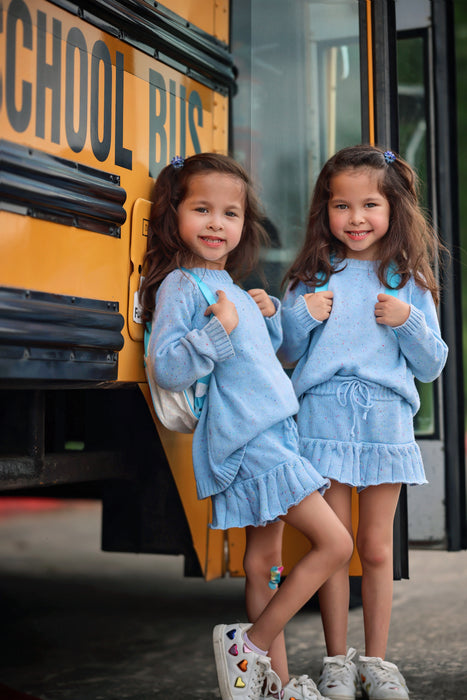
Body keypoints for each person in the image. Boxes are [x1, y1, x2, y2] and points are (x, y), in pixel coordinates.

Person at [140, 152, 353, 700]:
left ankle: (273, 686)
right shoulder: (181, 288)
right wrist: (217, 330)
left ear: (243, 224)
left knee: (265, 564)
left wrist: (267, 314)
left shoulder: (234, 287)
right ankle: (251, 645)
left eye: (230, 213)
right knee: (334, 543)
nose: (217, 223)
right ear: (174, 215)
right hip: (249, 441)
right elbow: (165, 365)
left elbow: (268, 360)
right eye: (202, 209)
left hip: (272, 434)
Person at [280, 144, 448, 700]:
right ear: (324, 210)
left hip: (384, 421)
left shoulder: (410, 279)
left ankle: (377, 661)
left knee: (375, 548)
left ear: (394, 208)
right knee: (334, 544)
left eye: (370, 205)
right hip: (322, 415)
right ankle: (336, 661)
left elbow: (432, 363)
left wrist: (407, 324)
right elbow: (283, 350)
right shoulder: (311, 274)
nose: (355, 219)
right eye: (341, 206)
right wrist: (303, 315)